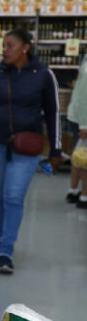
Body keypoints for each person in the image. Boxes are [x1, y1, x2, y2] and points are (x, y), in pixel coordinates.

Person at [0, 28, 62, 274]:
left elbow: (53, 113)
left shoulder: (43, 75)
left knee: (13, 196)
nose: (4, 50)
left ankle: (6, 250)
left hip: (27, 146)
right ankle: (3, 237)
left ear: (25, 47)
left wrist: (56, 149)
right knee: (0, 197)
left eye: (10, 45)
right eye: (3, 45)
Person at [66, 53, 87, 208]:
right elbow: (84, 98)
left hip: (78, 116)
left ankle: (73, 191)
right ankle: (84, 197)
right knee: (85, 158)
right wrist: (84, 125)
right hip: (83, 118)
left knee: (79, 156)